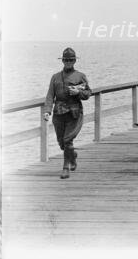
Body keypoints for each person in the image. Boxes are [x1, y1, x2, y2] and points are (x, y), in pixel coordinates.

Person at [43, 48, 92, 179]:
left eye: (71, 60)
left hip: (74, 113)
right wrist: (47, 111)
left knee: (67, 140)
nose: (68, 62)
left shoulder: (80, 76)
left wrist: (78, 93)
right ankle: (72, 156)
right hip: (59, 114)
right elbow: (50, 96)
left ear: (75, 61)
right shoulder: (55, 77)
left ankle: (66, 168)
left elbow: (88, 93)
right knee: (61, 143)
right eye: (66, 60)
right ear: (62, 61)